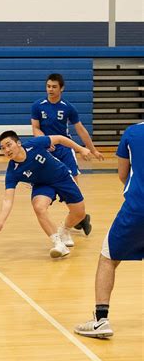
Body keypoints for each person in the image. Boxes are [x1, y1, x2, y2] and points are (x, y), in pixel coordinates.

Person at [74, 122, 144, 339]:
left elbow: (123, 173)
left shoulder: (133, 132)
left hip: (137, 208)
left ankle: (100, 320)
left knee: (108, 258)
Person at [0, 130, 93, 259]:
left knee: (79, 213)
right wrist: (1, 221)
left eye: (9, 145)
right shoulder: (12, 172)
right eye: (3, 148)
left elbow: (60, 138)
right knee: (39, 207)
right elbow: (8, 199)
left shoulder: (35, 144)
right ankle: (58, 244)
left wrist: (80, 149)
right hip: (42, 185)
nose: (6, 150)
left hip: (62, 176)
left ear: (18, 143)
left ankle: (64, 230)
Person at [31, 73, 104, 235]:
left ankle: (79, 216)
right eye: (48, 86)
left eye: (54, 87)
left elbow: (81, 130)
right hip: (46, 150)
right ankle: (81, 218)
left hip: (65, 151)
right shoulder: (38, 106)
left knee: (74, 188)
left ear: (61, 88)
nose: (50, 89)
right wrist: (45, 141)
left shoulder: (68, 107)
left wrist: (92, 149)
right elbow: (35, 128)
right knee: (50, 185)